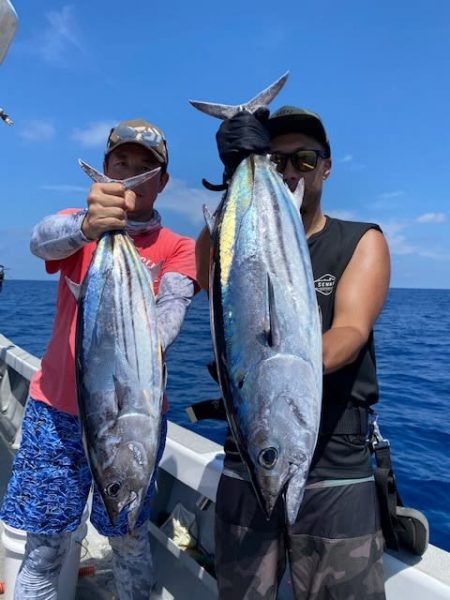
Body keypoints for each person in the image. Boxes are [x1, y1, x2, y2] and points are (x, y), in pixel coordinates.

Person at [195, 106, 390, 599]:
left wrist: (277, 372)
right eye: (276, 159)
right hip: (251, 458)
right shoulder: (232, 234)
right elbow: (206, 277)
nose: (289, 170)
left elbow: (350, 332)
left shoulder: (358, 241)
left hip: (334, 468)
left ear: (326, 165)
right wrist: (235, 176)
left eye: (304, 159)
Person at [0, 119, 198, 600]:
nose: (131, 172)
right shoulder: (79, 227)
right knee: (44, 550)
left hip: (136, 422)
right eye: (121, 162)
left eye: (145, 166)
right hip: (56, 414)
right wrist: (88, 227)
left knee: (129, 540)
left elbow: (171, 313)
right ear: (105, 168)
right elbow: (40, 240)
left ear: (163, 181)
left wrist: (141, 337)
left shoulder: (178, 248)